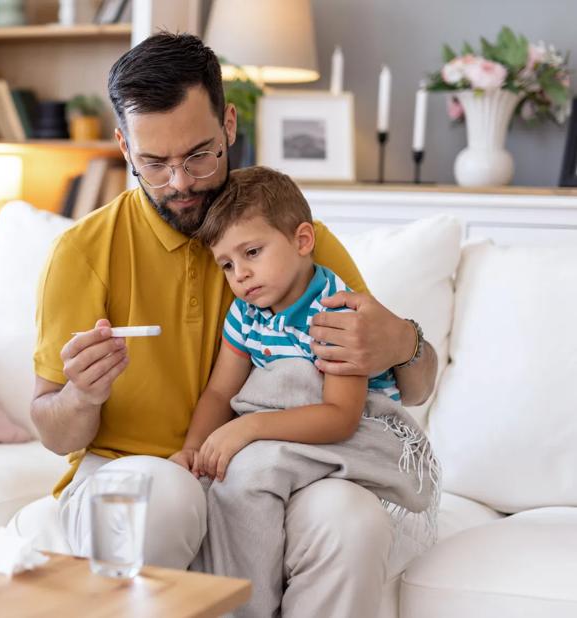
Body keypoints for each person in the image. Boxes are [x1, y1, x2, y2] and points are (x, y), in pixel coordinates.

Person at [30, 33, 438, 617]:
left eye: (199, 154)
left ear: (228, 124)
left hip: (272, 463)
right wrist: (80, 394)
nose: (180, 182)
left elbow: (413, 388)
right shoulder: (82, 251)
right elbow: (53, 431)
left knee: (350, 519)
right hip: (132, 469)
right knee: (164, 494)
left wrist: (404, 341)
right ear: (123, 146)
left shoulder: (297, 242)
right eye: (154, 163)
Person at [167, 165, 439, 617]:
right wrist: (195, 451)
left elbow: (341, 415)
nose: (242, 275)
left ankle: (247, 608)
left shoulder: (335, 311)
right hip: (294, 430)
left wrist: (249, 429)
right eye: (228, 265)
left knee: (249, 472)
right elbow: (219, 392)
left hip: (354, 435)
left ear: (302, 241)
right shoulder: (245, 314)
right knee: (222, 480)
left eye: (252, 252)